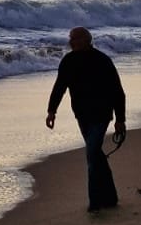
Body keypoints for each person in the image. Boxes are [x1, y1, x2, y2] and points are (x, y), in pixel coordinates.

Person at [45, 27, 127, 211]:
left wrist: (120, 119)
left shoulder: (102, 60)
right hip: (82, 114)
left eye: (74, 39)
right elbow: (60, 87)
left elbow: (117, 91)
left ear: (85, 40)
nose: (71, 42)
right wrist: (52, 111)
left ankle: (95, 202)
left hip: (102, 114)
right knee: (96, 154)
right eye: (70, 39)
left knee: (91, 154)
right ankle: (111, 198)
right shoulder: (68, 61)